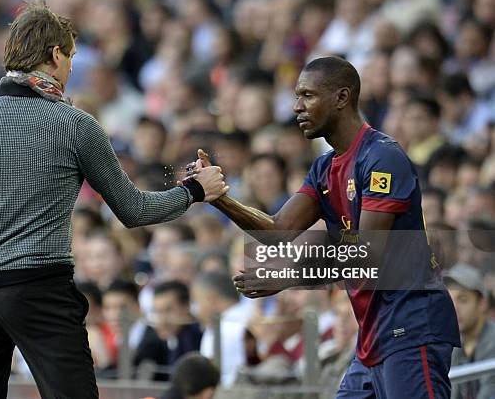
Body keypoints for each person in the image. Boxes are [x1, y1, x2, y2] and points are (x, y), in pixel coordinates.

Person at [0, 0, 227, 399]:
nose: (72, 67)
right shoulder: (74, 124)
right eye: (71, 56)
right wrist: (194, 191)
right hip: (41, 289)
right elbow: (133, 211)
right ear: (55, 54)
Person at [189, 57, 461, 398]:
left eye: (307, 95)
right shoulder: (324, 168)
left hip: (412, 325)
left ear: (341, 98)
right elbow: (278, 230)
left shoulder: (382, 157)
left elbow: (368, 253)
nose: (296, 107)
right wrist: (216, 197)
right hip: (374, 333)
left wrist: (285, 276)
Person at [445, 263, 495, 399]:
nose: (454, 308)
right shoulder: (454, 345)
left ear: (482, 303)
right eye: (449, 300)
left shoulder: (492, 341)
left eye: (463, 300)